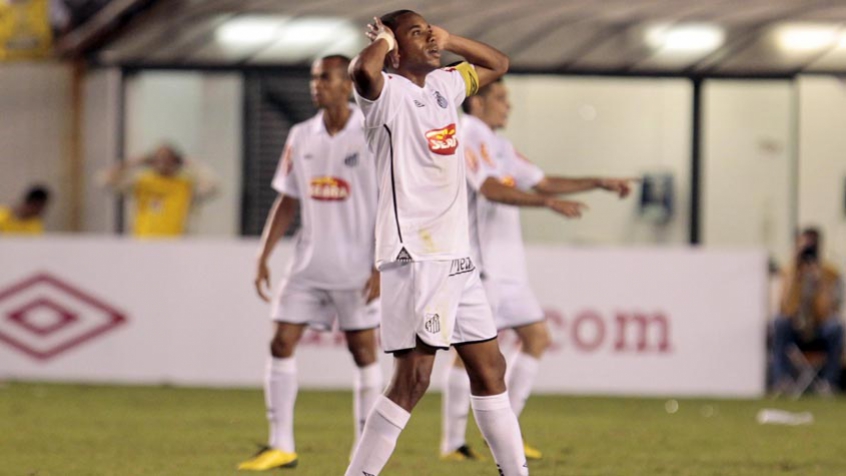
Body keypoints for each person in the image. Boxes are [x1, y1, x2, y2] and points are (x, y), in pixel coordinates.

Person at [346, 10, 529, 476]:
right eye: (416, 32)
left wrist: (450, 38)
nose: (428, 36)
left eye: (429, 29)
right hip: (417, 257)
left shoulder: (447, 84)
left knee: (491, 370)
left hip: (457, 257)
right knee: (413, 380)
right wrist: (385, 40)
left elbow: (500, 63)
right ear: (394, 51)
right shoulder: (386, 96)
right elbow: (362, 72)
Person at [441, 78, 636, 461]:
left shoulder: (500, 145)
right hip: (483, 268)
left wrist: (597, 182)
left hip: (509, 268)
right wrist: (546, 203)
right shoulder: (468, 135)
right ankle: (452, 442)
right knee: (469, 354)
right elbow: (490, 189)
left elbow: (543, 180)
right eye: (500, 98)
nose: (507, 106)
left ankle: (504, 430)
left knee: (537, 337)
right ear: (476, 104)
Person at [237, 55, 383, 472]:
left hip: (358, 267)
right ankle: (281, 445)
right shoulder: (301, 135)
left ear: (347, 84)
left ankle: (364, 451)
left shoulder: (372, 132)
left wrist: (380, 264)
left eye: (325, 78)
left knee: (363, 352)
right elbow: (288, 198)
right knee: (280, 342)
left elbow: (393, 201)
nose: (315, 85)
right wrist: (263, 254)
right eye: (313, 78)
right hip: (308, 266)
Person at [772, 227, 844, 395]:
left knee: (836, 327)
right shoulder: (789, 272)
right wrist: (794, 273)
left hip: (820, 329)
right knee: (779, 323)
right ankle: (782, 380)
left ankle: (829, 382)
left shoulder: (830, 273)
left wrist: (820, 282)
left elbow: (830, 310)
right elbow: (784, 307)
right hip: (796, 328)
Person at [101, 144, 218, 237]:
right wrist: (132, 162)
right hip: (142, 242)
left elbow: (213, 186)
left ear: (176, 161)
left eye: (168, 158)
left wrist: (189, 163)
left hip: (178, 243)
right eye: (159, 158)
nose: (163, 162)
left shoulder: (186, 184)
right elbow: (105, 181)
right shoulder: (141, 181)